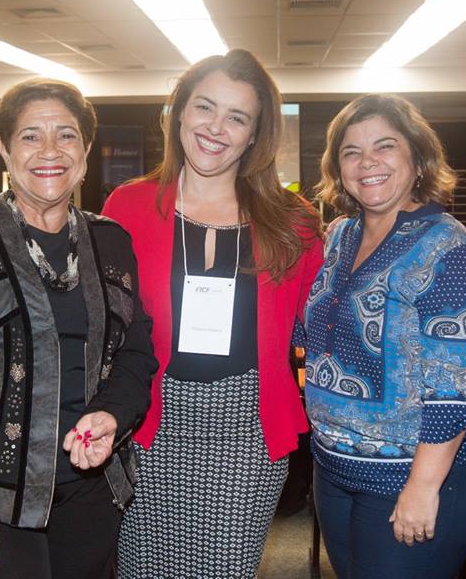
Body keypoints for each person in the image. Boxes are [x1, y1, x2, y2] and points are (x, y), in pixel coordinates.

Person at [0, 78, 157, 579]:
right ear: (3, 148)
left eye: (66, 135)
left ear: (86, 149)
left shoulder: (111, 240)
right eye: (30, 136)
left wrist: (112, 414)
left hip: (93, 495)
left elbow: (136, 353)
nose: (50, 151)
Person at [103, 48, 323, 578]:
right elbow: (104, 324)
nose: (216, 128)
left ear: (255, 135)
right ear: (179, 111)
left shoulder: (293, 221)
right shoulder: (127, 207)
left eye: (237, 117)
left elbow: (320, 325)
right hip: (149, 425)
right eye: (205, 107)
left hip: (246, 431)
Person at [304, 94, 466, 578]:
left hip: (413, 479)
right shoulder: (341, 236)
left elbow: (456, 387)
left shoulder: (448, 249)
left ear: (418, 158)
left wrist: (423, 487)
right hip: (335, 470)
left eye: (384, 146)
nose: (367, 162)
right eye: (351, 152)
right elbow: (317, 330)